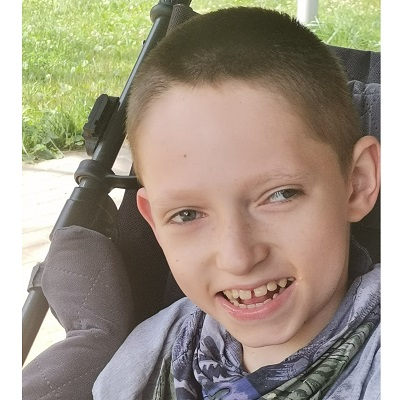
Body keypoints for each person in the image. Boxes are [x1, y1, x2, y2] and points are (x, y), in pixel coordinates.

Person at [93, 6, 380, 399]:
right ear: (154, 223)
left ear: (358, 182)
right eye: (187, 214)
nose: (238, 258)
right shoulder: (141, 361)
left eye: (280, 195)